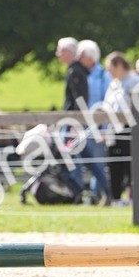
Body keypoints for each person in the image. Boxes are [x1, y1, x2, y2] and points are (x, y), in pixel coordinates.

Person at [103, 51, 139, 203]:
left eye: (110, 68)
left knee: (131, 165)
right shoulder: (114, 85)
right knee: (114, 165)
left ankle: (133, 198)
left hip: (131, 129)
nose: (109, 72)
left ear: (118, 65)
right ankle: (116, 199)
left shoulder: (136, 80)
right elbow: (106, 107)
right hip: (114, 130)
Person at [77, 38, 112, 204]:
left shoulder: (104, 76)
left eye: (81, 55)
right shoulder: (80, 74)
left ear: (90, 57)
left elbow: (107, 102)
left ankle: (97, 194)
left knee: (98, 161)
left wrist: (105, 128)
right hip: (82, 124)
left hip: (98, 126)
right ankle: (83, 193)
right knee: (82, 161)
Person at [54, 37, 88, 197]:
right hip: (72, 120)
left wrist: (76, 123)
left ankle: (77, 191)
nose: (57, 54)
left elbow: (79, 99)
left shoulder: (75, 71)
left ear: (69, 52)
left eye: (60, 50)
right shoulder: (75, 70)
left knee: (72, 157)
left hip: (73, 121)